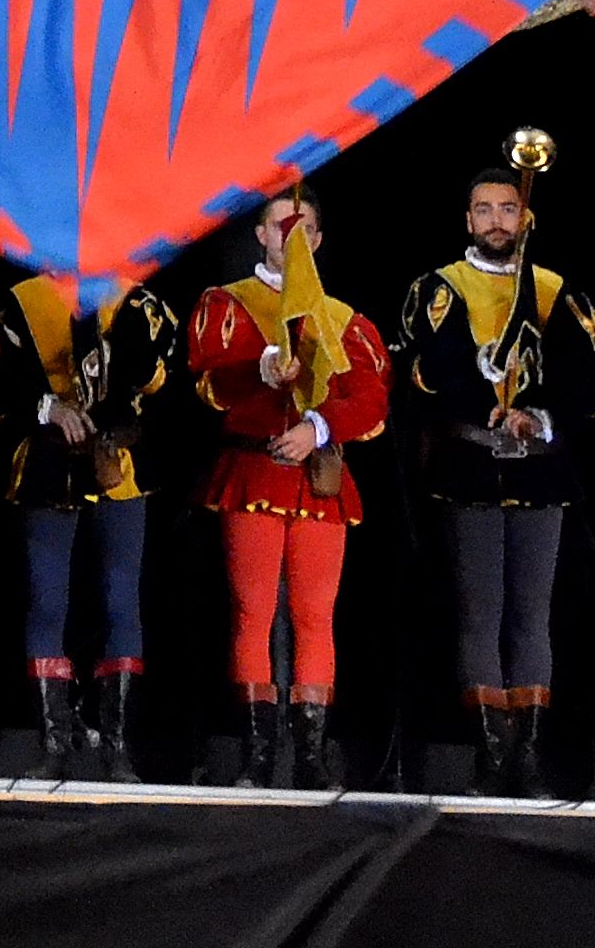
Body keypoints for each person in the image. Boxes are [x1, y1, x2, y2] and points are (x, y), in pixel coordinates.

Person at [390, 163, 595, 796]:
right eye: (484, 210)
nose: (496, 221)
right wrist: (479, 404)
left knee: (533, 617)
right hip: (470, 466)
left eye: (508, 209)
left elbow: (590, 375)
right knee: (480, 615)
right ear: (468, 220)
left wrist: (540, 412)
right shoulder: (439, 288)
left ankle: (530, 759)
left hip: (542, 469)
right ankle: (492, 759)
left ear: (526, 217)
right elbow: (427, 371)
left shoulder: (555, 289)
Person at [188, 189, 387, 788]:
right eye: (280, 227)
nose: (290, 238)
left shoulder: (344, 319)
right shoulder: (226, 303)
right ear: (261, 234)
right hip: (253, 471)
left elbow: (372, 398)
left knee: (314, 614)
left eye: (303, 230)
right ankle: (256, 752)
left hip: (318, 475)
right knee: (252, 611)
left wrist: (317, 425)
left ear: (318, 241)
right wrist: (260, 369)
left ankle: (308, 754)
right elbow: (208, 378)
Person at [0, 264, 175, 779]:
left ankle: (117, 747)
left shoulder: (134, 301)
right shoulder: (24, 300)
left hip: (117, 462)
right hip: (50, 464)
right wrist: (45, 405)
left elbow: (156, 378)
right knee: (48, 600)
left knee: (122, 600)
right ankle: (54, 746)